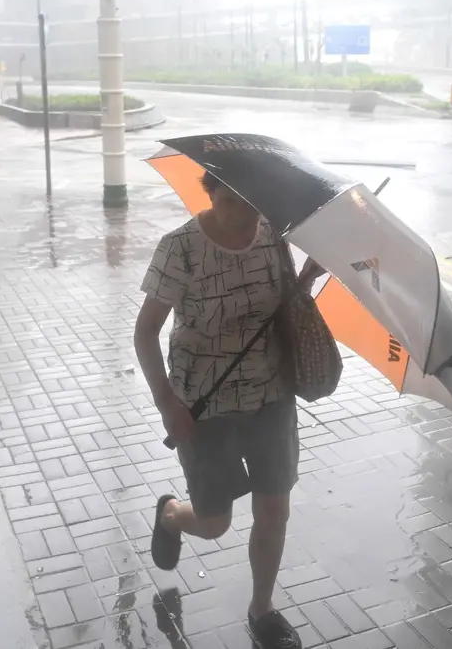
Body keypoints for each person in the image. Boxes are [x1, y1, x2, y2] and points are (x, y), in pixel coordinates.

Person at [134, 172, 320, 649]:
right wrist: (167, 405)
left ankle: (263, 608)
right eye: (235, 197)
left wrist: (304, 280)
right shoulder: (181, 247)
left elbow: (280, 307)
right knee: (215, 523)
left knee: (274, 508)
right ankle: (172, 515)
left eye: (256, 197)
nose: (249, 209)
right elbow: (145, 333)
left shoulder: (273, 237)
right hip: (202, 402)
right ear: (210, 192)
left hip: (269, 394)